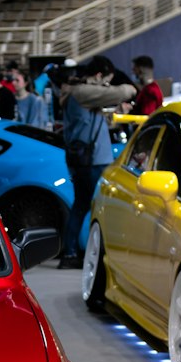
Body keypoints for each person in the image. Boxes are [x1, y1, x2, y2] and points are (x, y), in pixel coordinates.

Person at [57, 58, 136, 267]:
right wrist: (127, 88)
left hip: (87, 159)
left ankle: (72, 252)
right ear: (99, 76)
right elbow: (123, 92)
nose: (107, 86)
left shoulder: (79, 93)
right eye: (107, 81)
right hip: (92, 161)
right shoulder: (82, 92)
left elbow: (94, 123)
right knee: (95, 207)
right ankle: (79, 253)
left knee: (82, 205)